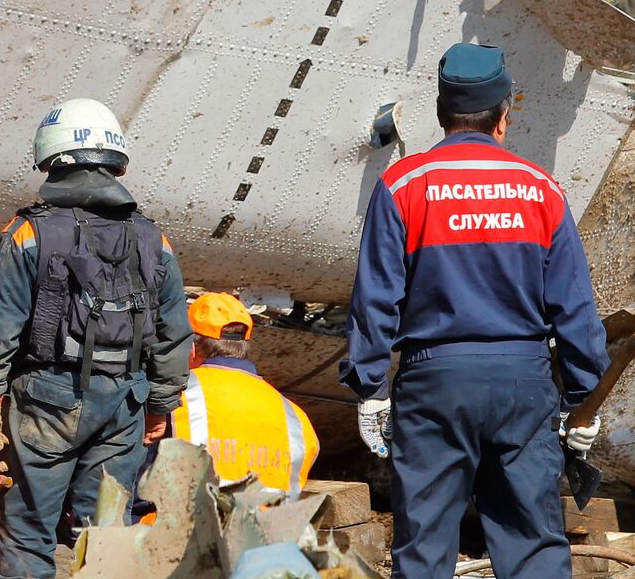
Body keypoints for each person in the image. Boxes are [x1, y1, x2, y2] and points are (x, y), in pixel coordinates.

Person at [343, 42, 608, 579]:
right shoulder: (541, 190)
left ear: (442, 113)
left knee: (423, 548)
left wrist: (370, 386)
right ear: (503, 115)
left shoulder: (401, 186)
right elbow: (575, 307)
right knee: (533, 543)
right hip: (523, 385)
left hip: (433, 384)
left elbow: (375, 298)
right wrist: (586, 394)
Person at [0, 97, 191, 579]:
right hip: (125, 405)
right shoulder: (154, 240)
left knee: (27, 533)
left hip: (45, 404)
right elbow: (172, 334)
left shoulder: (29, 233)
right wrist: (161, 405)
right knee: (107, 534)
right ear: (115, 162)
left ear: (53, 160)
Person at [167, 292, 317, 494]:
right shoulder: (297, 418)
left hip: (187, 524)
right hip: (270, 525)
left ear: (192, 349)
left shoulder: (175, 398)